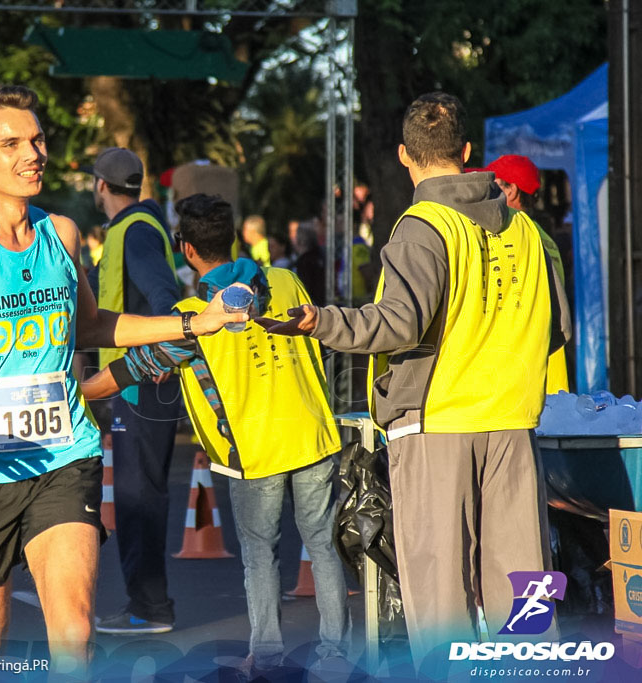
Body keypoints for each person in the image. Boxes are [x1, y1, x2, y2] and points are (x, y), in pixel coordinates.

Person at [0, 84, 243, 672]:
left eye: (36, 139)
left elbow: (91, 326)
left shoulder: (61, 234)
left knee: (74, 630)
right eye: (11, 142)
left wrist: (191, 322)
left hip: (64, 456)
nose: (32, 153)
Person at [258, 92, 571, 668]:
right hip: (512, 425)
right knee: (526, 588)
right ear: (469, 151)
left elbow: (398, 323)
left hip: (436, 426)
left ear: (405, 155)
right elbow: (556, 328)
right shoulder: (526, 231)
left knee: (441, 595)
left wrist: (317, 320)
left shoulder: (422, 226)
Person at [81, 193, 351, 677]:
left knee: (260, 557)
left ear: (185, 249)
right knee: (323, 547)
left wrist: (73, 393)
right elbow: (320, 338)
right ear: (230, 237)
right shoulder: (286, 280)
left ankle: (266, 656)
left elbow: (132, 369)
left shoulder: (194, 314)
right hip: (313, 435)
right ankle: (335, 652)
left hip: (253, 451)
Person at [86, 146, 182, 636]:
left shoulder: (135, 231)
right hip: (137, 383)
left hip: (144, 383)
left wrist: (162, 348)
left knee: (138, 497)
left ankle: (149, 607)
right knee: (138, 494)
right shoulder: (139, 226)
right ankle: (147, 602)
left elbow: (164, 296)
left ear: (100, 185)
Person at [471, 154, 570, 392]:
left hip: (522, 381)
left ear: (511, 191)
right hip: (547, 376)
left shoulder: (513, 239)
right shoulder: (544, 240)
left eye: (493, 183)